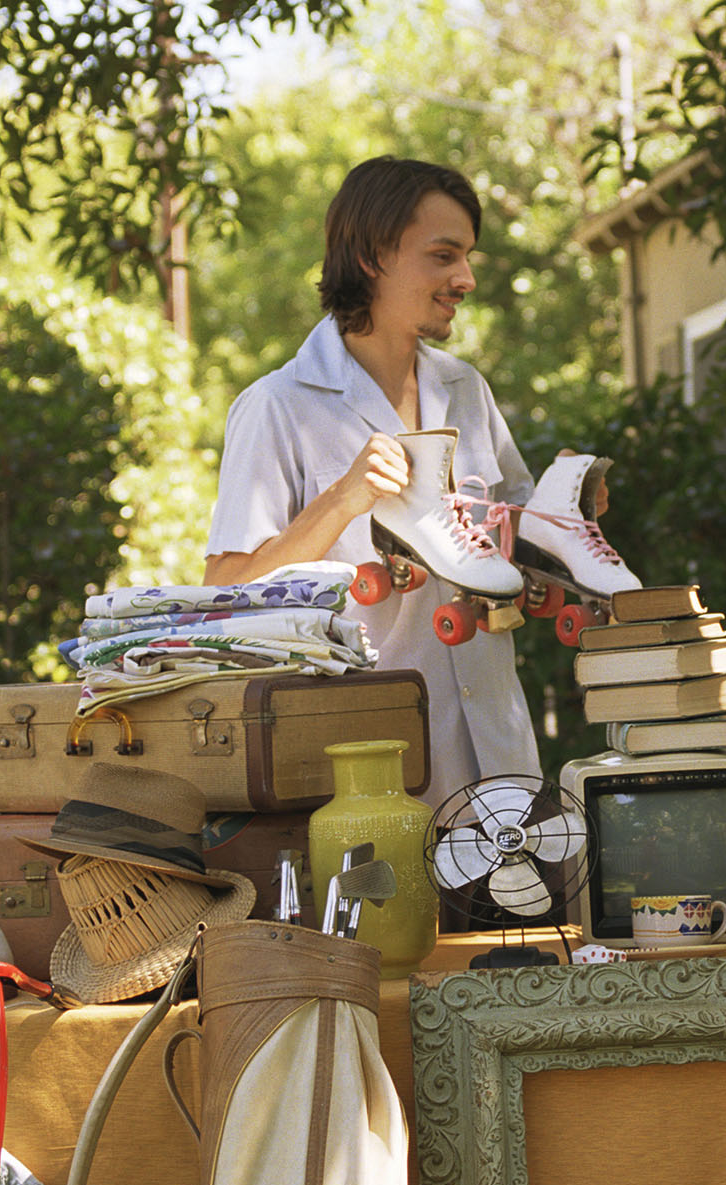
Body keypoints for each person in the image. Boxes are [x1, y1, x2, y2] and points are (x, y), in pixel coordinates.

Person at [204, 156, 538, 813]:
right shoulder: (277, 406)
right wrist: (342, 500)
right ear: (370, 255)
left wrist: (562, 514)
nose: (465, 279)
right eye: (443, 255)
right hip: (367, 776)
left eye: (468, 257)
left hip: (501, 761)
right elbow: (224, 592)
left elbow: (514, 535)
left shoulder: (467, 389)